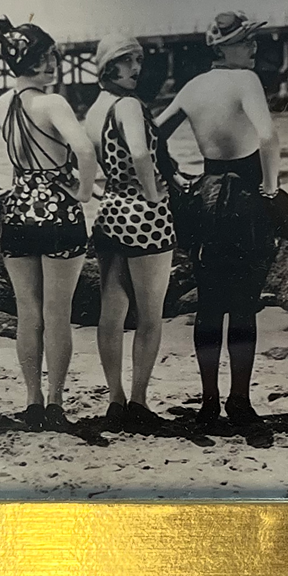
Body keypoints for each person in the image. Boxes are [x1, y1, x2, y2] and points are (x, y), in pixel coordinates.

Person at [154, 11, 279, 428]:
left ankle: (209, 402)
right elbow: (268, 136)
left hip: (206, 196)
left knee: (209, 304)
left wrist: (173, 175)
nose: (253, 47)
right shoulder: (246, 80)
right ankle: (239, 401)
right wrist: (271, 188)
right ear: (224, 48)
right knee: (243, 305)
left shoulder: (194, 86)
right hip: (245, 198)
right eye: (245, 41)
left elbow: (153, 134)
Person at [0, 17, 97, 430]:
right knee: (57, 313)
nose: (52, 64)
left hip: (18, 212)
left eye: (51, 57)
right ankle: (55, 402)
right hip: (59, 212)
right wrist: (84, 193)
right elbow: (85, 151)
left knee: (28, 314)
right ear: (27, 60)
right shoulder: (53, 103)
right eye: (45, 58)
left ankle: (32, 401)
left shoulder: (1, 104)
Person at [83, 34, 177, 431]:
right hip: (145, 215)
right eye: (127, 60)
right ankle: (138, 400)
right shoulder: (128, 105)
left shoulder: (96, 108)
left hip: (110, 211)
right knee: (151, 316)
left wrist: (105, 190)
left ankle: (115, 399)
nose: (136, 67)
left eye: (138, 59)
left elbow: (84, 162)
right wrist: (154, 195)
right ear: (109, 66)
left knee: (112, 312)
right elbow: (140, 152)